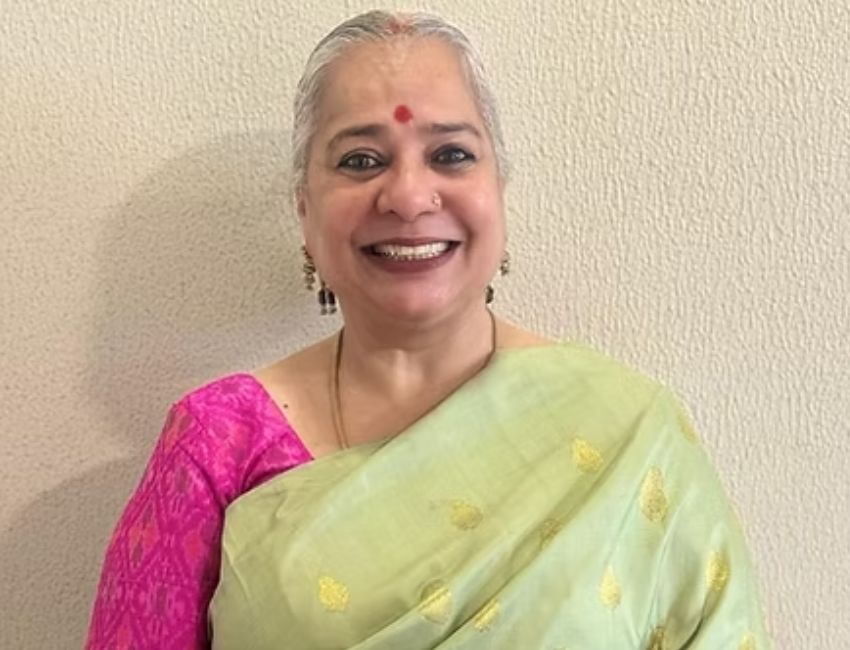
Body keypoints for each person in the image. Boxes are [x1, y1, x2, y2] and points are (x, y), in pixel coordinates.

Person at [86, 10, 771, 649]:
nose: (410, 197)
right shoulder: (217, 443)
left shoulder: (628, 433)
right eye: (361, 160)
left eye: (450, 154)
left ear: (499, 190)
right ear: (304, 209)